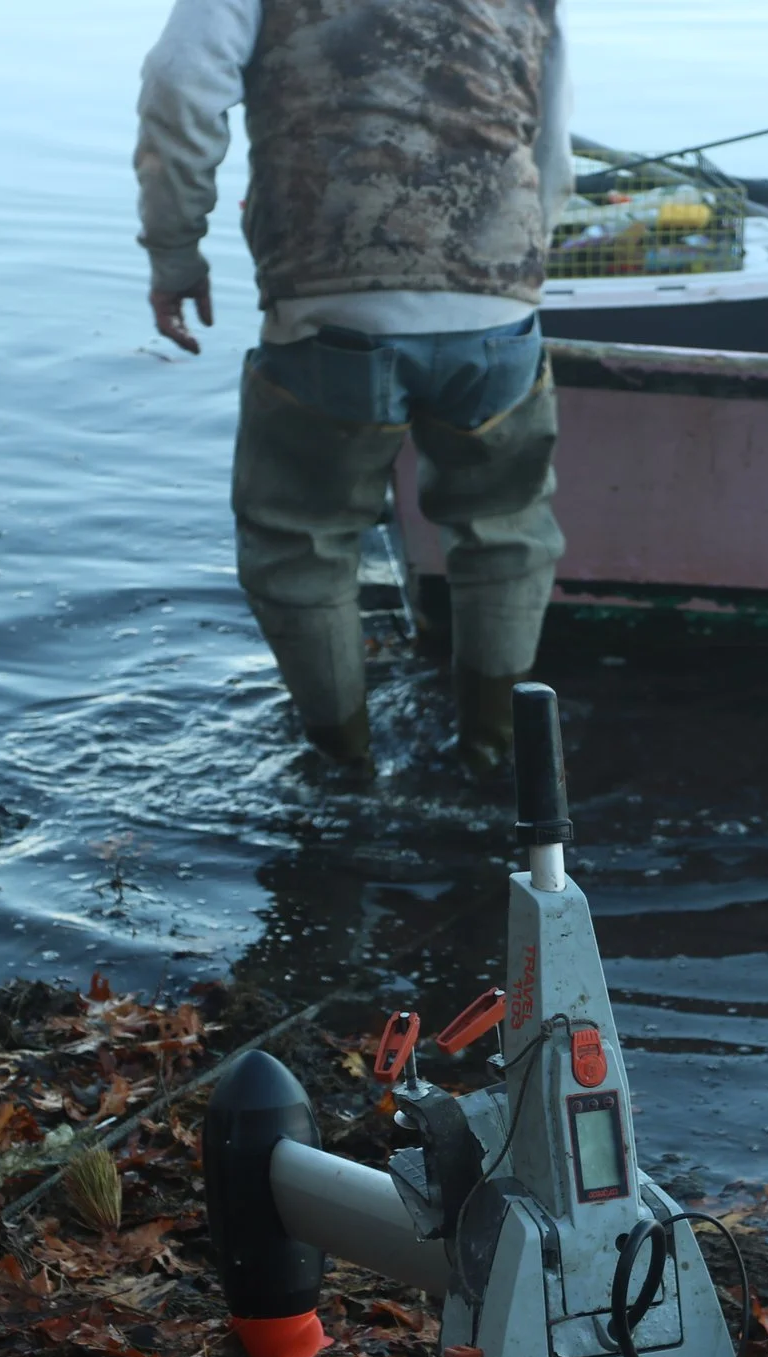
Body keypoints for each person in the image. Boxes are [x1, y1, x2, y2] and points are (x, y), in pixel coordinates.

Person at [134, 0, 571, 779]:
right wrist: (509, 278)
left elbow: (178, 80)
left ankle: (344, 768)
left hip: (329, 301)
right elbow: (553, 141)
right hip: (498, 296)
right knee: (503, 532)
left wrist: (176, 251)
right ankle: (491, 755)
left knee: (300, 540)